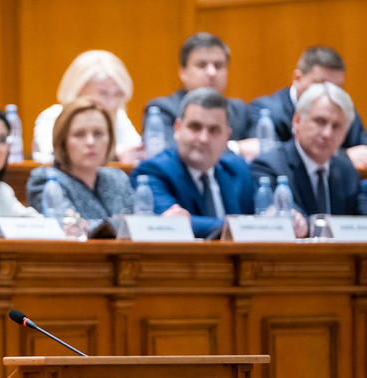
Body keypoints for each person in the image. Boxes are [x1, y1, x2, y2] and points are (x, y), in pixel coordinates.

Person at [131, 88, 257, 238]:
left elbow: (264, 219)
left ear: (227, 136)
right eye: (195, 127)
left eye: (214, 130)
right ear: (177, 129)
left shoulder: (238, 169)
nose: (204, 138)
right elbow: (173, 224)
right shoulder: (152, 172)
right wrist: (244, 227)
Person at [250, 82, 364, 219]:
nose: (327, 133)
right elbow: (283, 215)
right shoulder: (270, 166)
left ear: (345, 134)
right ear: (297, 120)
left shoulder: (347, 172)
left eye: (337, 126)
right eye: (320, 121)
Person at [247, 46, 367, 168]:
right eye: (321, 84)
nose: (329, 93)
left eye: (337, 88)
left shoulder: (341, 111)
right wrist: (344, 157)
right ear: (297, 79)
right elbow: (269, 157)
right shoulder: (266, 110)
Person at [28, 97, 134, 221]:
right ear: (63, 141)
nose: (90, 142)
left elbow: (138, 225)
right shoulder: (46, 180)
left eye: (98, 133)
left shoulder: (117, 179)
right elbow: (69, 229)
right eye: (79, 134)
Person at [32, 50, 143, 164]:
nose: (111, 103)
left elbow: (135, 151)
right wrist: (114, 155)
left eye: (117, 94)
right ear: (79, 89)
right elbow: (49, 159)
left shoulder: (118, 116)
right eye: (103, 93)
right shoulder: (53, 116)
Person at [142, 33, 249, 146]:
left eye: (218, 66)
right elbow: (171, 152)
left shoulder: (239, 110)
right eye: (201, 65)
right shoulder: (163, 109)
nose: (211, 73)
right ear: (183, 73)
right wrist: (236, 148)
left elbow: (261, 151)